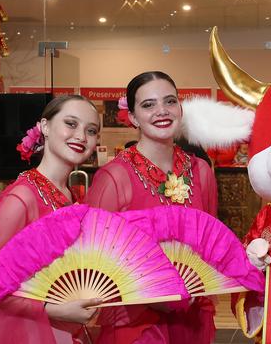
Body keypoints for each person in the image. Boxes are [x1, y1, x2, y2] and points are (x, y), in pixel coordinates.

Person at [86, 71, 218, 343]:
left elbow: (210, 243)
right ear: (133, 117)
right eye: (148, 105)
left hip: (190, 315)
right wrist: (151, 292)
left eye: (170, 101)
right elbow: (94, 257)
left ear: (180, 108)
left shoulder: (200, 171)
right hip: (135, 319)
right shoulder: (114, 177)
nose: (162, 111)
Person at [0, 95, 101, 343]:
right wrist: (54, 310)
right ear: (45, 127)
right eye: (71, 124)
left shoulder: (70, 194)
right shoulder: (21, 199)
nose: (82, 136)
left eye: (91, 130)